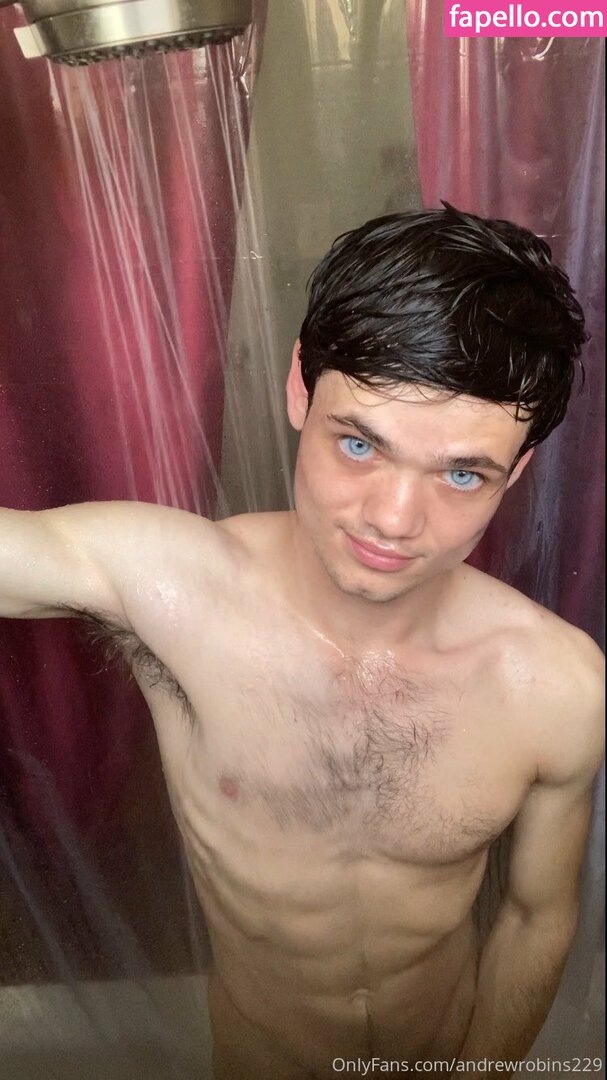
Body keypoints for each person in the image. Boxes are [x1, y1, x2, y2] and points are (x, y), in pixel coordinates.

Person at [0, 203, 604, 1080]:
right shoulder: (175, 591)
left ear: (515, 472)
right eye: (358, 443)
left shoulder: (556, 685)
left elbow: (534, 916)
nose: (393, 520)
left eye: (460, 473)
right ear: (299, 388)